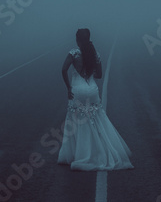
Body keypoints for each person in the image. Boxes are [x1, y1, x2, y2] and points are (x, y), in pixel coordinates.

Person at [57, 28, 134, 171]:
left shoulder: (73, 53)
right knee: (96, 119)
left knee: (76, 121)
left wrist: (68, 87)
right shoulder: (95, 53)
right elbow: (99, 75)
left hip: (77, 90)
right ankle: (99, 149)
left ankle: (78, 153)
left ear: (78, 40)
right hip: (91, 90)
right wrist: (89, 71)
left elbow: (63, 69)